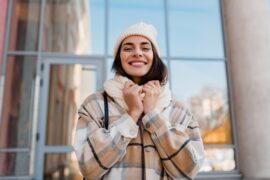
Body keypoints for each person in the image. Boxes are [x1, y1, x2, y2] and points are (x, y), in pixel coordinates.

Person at [73, 22, 205, 180]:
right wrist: (132, 114)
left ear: (154, 57)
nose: (137, 53)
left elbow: (189, 170)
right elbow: (88, 168)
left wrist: (152, 114)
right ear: (118, 58)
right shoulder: (94, 104)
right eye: (128, 48)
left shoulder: (179, 109)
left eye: (145, 48)